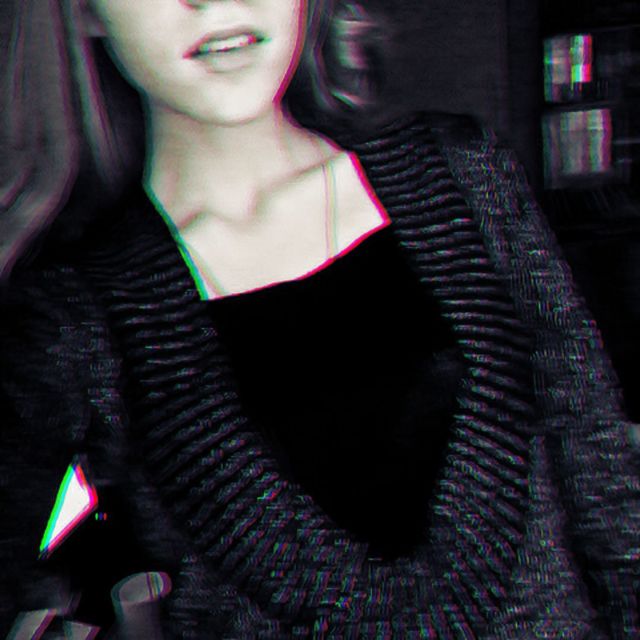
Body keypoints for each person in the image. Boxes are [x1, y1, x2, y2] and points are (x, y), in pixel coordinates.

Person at [1, 0, 639, 638]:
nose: (215, 1)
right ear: (84, 13)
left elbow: (607, 492)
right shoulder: (70, 318)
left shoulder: (466, 176)